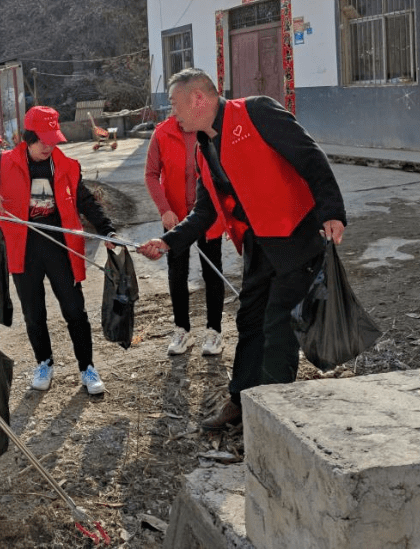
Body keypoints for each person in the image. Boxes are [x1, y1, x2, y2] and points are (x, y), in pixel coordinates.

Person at [138, 69, 346, 432]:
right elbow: (204, 211)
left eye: (174, 105)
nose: (173, 115)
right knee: (249, 320)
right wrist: (168, 242)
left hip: (295, 237)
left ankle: (272, 418)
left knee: (278, 323)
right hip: (259, 245)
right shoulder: (205, 147)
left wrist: (332, 211)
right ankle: (242, 400)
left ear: (198, 98)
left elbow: (309, 156)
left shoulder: (256, 112)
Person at [0, 105, 117, 396]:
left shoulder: (67, 166)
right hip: (24, 248)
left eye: (52, 140)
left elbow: (85, 201)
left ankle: (87, 367)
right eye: (41, 140)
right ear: (28, 138)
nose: (48, 146)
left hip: (61, 246)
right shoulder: (7, 163)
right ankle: (44, 363)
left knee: (75, 310)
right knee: (34, 313)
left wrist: (107, 230)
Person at [145, 114, 227, 357]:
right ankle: (182, 330)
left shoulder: (210, 131)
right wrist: (164, 210)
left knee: (212, 271)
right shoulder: (162, 133)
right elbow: (151, 174)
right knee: (177, 272)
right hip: (175, 218)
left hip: (208, 215)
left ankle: (214, 332)